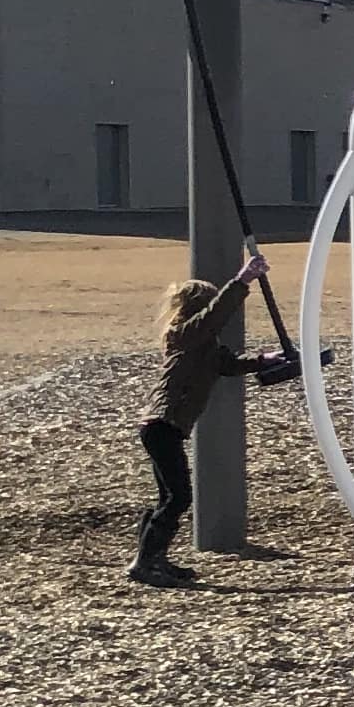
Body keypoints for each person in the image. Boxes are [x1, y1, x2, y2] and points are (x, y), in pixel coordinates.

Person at [132, 250, 269, 586]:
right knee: (179, 496)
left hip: (165, 427)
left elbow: (230, 364)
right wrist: (241, 281)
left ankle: (150, 559)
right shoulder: (184, 334)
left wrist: (268, 359)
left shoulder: (202, 347)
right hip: (161, 424)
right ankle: (146, 563)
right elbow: (214, 316)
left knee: (170, 495)